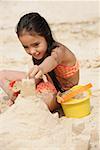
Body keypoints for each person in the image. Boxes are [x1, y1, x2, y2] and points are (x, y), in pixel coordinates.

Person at [0, 12, 79, 111]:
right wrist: (25, 87)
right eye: (26, 47)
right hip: (46, 84)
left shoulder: (59, 51)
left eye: (36, 44)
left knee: (43, 103)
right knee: (2, 75)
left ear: (46, 36)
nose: (32, 51)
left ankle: (22, 103)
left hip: (62, 94)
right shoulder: (38, 54)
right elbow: (39, 78)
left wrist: (40, 68)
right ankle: (17, 98)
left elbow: (52, 60)